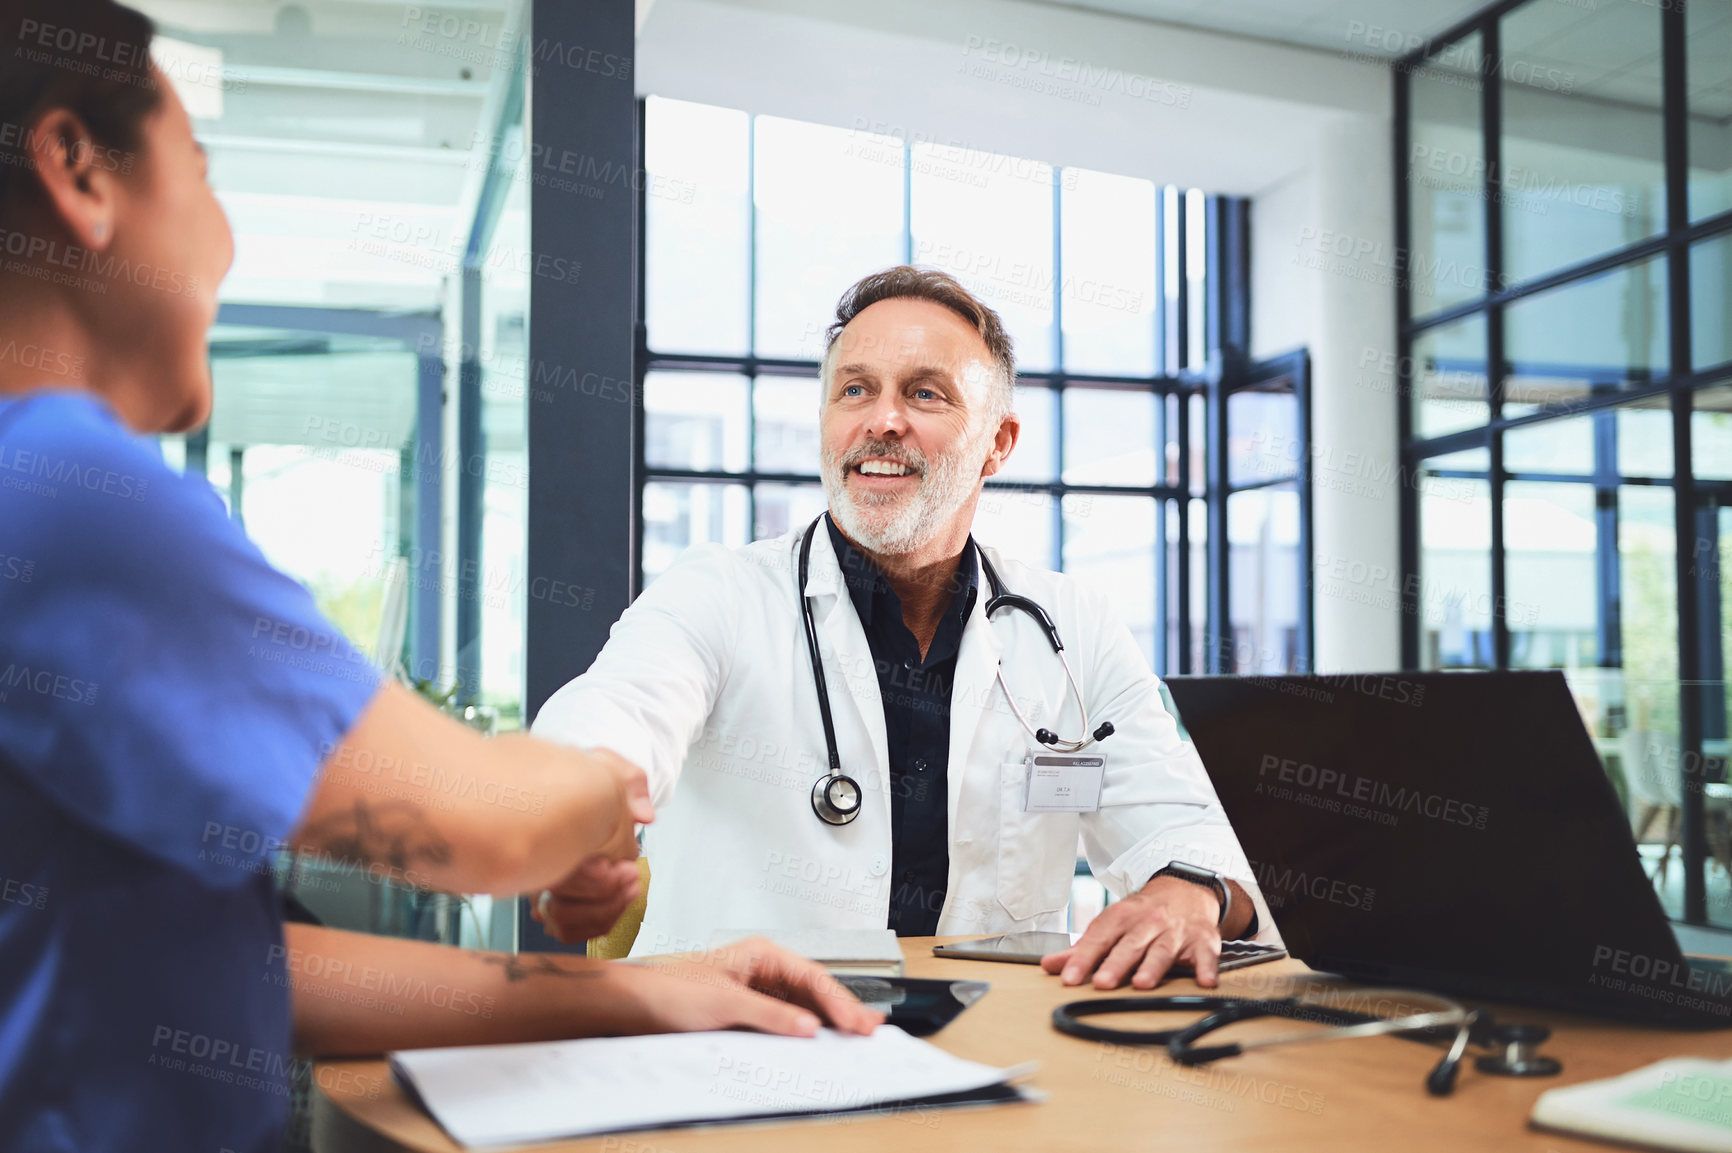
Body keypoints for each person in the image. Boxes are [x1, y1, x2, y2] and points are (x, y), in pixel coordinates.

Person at [0, 4, 873, 1152]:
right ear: (78, 171)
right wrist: (603, 798)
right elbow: (494, 831)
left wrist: (639, 992)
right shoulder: (64, 485)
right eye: (200, 175)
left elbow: (232, 965)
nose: (224, 241)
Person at [533, 264, 1280, 989]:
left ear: (998, 442)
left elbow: (1183, 822)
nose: (882, 420)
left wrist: (1190, 889)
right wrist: (583, 800)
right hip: (744, 1057)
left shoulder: (1070, 624)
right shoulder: (721, 593)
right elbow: (618, 709)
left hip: (993, 1057)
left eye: (925, 393)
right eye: (855, 389)